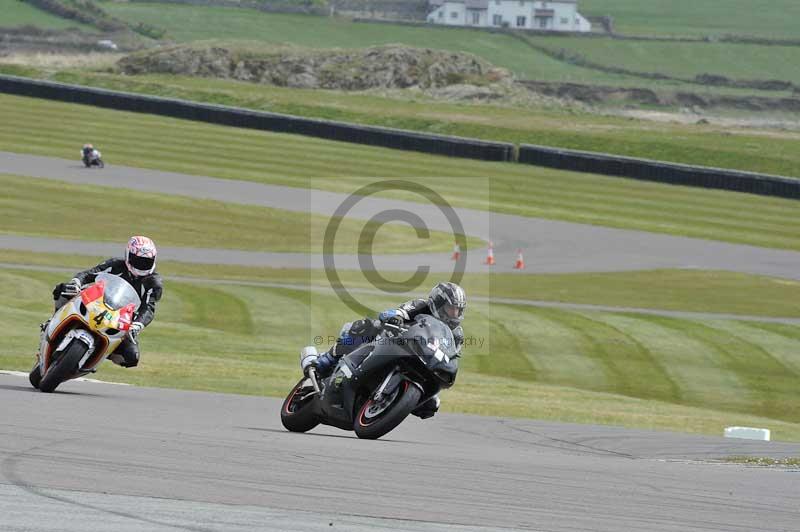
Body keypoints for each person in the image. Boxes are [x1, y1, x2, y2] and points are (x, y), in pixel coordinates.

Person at [313, 281, 466, 419]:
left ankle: (395, 402)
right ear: (437, 303)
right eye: (450, 308)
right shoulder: (421, 306)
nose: (454, 314)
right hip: (393, 341)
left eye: (457, 310)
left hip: (422, 360)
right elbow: (396, 312)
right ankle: (328, 358)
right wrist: (395, 317)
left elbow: (451, 355)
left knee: (431, 405)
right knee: (366, 326)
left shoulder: (456, 334)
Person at [50, 236, 163, 368]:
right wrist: (76, 282)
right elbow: (88, 274)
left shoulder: (153, 282)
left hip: (120, 320)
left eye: (146, 262)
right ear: (128, 256)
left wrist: (137, 325)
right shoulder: (115, 264)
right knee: (62, 290)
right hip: (96, 303)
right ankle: (53, 322)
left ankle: (99, 353)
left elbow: (148, 308)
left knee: (131, 356)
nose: (141, 265)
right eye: (138, 260)